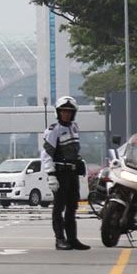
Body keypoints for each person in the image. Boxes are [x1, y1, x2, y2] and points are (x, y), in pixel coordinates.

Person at [42, 96, 89, 250]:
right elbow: (47, 154)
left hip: (72, 173)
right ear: (58, 112)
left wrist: (80, 162)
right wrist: (51, 174)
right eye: (63, 111)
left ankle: (72, 238)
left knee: (72, 206)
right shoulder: (53, 130)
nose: (66, 114)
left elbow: (73, 150)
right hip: (60, 173)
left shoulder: (74, 127)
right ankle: (60, 239)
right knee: (59, 207)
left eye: (69, 112)